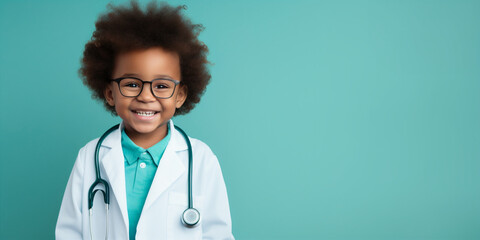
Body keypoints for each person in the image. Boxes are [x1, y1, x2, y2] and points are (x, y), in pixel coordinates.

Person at [55, 1, 234, 239]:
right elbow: (69, 233)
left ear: (180, 96)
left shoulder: (202, 160)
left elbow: (218, 235)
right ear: (110, 92)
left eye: (161, 85)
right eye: (131, 84)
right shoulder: (89, 157)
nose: (146, 96)